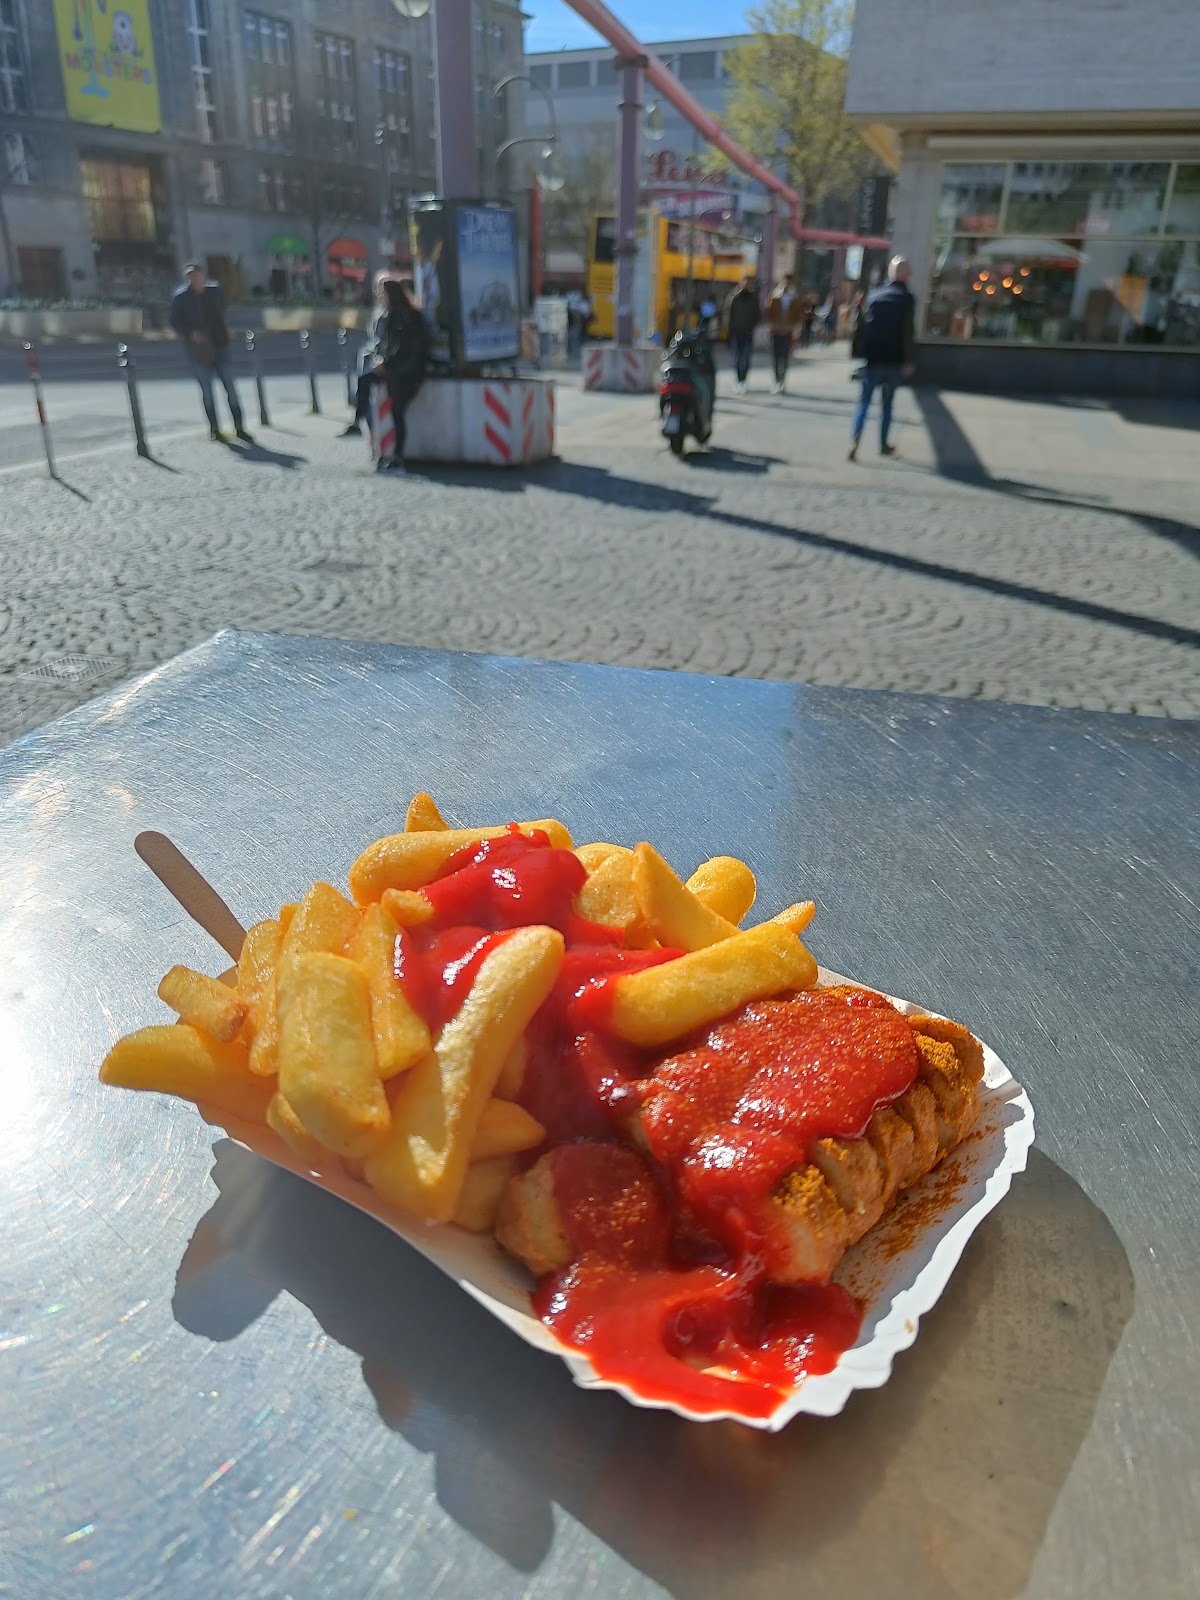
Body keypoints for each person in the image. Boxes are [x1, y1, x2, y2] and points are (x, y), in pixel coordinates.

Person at [169, 262, 252, 442]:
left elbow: (223, 311)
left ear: (203, 275)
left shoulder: (215, 291)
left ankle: (240, 427)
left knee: (231, 388)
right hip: (199, 350)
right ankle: (215, 429)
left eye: (196, 275)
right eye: (190, 276)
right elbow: (174, 322)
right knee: (207, 392)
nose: (194, 279)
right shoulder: (181, 298)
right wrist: (191, 333)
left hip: (220, 345)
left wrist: (226, 329)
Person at [848, 257, 916, 462]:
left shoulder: (875, 296)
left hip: (872, 361)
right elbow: (907, 332)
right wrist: (908, 360)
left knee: (864, 403)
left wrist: (859, 354)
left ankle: (855, 440)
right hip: (893, 362)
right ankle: (883, 444)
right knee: (887, 405)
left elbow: (862, 328)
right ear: (906, 275)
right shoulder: (907, 299)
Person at [372, 276, 428, 474]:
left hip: (404, 372)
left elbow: (400, 347)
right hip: (408, 371)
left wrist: (384, 363)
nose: (380, 296)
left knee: (397, 412)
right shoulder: (406, 313)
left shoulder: (398, 315)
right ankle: (392, 455)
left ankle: (397, 458)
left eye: (382, 292)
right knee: (396, 411)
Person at [340, 271, 392, 437]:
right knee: (364, 388)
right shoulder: (378, 312)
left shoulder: (389, 314)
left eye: (383, 288)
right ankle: (364, 424)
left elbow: (385, 342)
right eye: (378, 288)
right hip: (375, 361)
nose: (380, 292)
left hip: (386, 362)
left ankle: (360, 422)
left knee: (364, 385)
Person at [765, 273, 803, 394]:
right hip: (776, 332)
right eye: (784, 282)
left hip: (788, 332)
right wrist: (771, 326)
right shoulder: (774, 296)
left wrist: (793, 327)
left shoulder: (794, 299)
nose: (786, 285)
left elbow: (798, 316)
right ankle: (776, 380)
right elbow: (768, 312)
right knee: (776, 357)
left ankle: (782, 381)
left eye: (788, 283)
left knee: (785, 358)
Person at [727, 276, 760, 392]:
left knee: (746, 357)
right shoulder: (735, 297)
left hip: (748, 332)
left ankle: (743, 380)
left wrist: (752, 326)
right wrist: (731, 328)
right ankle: (738, 380)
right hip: (737, 332)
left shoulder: (754, 298)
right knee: (737, 357)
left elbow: (758, 314)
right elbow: (729, 313)